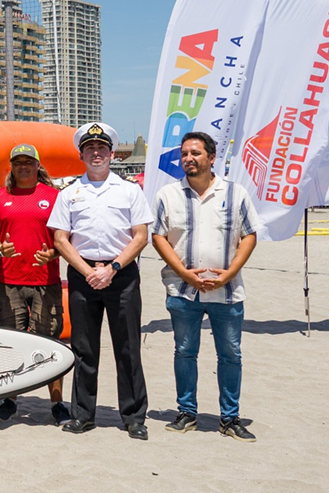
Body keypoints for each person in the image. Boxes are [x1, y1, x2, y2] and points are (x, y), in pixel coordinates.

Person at [150, 131, 261, 442]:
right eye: (185, 153)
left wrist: (229, 274)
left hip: (227, 291)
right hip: (182, 291)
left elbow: (250, 235)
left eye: (195, 153)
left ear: (212, 158)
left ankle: (230, 418)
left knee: (231, 355)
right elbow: (158, 236)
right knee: (185, 352)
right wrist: (184, 273)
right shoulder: (168, 195)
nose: (189, 158)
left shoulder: (235, 193)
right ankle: (187, 412)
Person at [48, 122, 154, 440]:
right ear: (81, 155)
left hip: (122, 276)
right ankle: (83, 414)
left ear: (112, 154)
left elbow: (140, 236)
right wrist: (88, 271)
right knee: (84, 348)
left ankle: (134, 417)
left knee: (128, 347)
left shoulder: (129, 190)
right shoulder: (69, 193)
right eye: (90, 148)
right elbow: (61, 239)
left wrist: (113, 268)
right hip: (83, 276)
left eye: (102, 148)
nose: (96, 153)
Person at [0, 144, 69, 425]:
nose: (23, 166)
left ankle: (57, 403)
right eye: (18, 162)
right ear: (11, 166)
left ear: (37, 166)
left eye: (28, 162)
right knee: (11, 344)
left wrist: (54, 253)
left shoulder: (54, 196)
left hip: (46, 281)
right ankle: (10, 399)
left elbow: (66, 236)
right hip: (8, 282)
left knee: (50, 343)